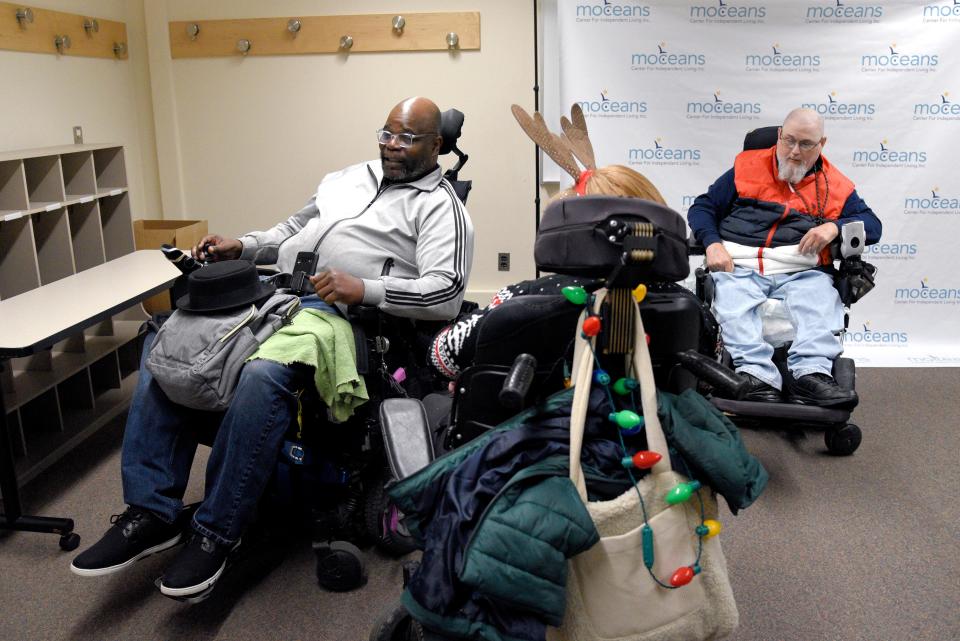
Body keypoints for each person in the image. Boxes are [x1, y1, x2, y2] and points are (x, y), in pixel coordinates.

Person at [70, 97, 474, 598]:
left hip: (344, 317)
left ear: (436, 144)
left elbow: (447, 292)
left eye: (408, 138)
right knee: (168, 337)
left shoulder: (441, 208)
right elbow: (291, 230)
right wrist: (244, 245)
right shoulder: (346, 177)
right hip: (277, 293)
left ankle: (216, 532)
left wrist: (363, 288)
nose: (392, 145)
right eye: (387, 133)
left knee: (265, 372)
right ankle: (151, 512)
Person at [687, 107, 880, 407]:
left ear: (822, 145)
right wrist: (712, 244)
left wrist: (834, 226)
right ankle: (756, 376)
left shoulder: (837, 185)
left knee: (818, 298)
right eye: (789, 140)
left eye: (805, 144)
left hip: (803, 270)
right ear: (779, 136)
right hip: (741, 263)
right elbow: (703, 208)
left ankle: (811, 376)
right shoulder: (745, 168)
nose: (794, 152)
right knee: (733, 298)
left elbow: (873, 225)